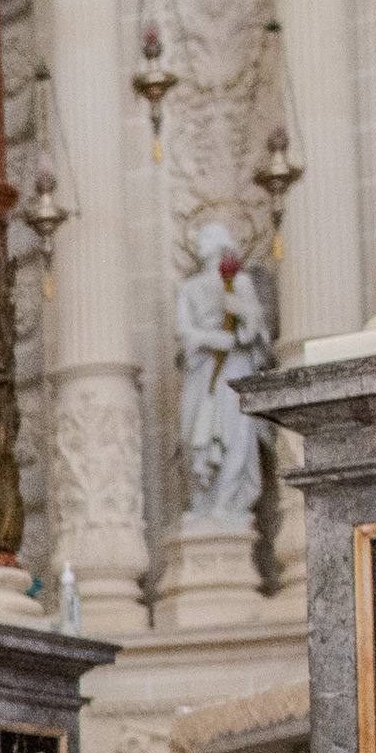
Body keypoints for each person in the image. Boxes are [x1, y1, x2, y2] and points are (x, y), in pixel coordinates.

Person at [169, 217, 272, 526]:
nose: (204, 242)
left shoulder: (240, 283)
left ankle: (228, 505)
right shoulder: (189, 288)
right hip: (204, 370)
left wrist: (241, 321)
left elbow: (256, 329)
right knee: (198, 435)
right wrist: (214, 338)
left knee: (236, 434)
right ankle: (205, 502)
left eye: (209, 236)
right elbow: (183, 331)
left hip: (235, 366)